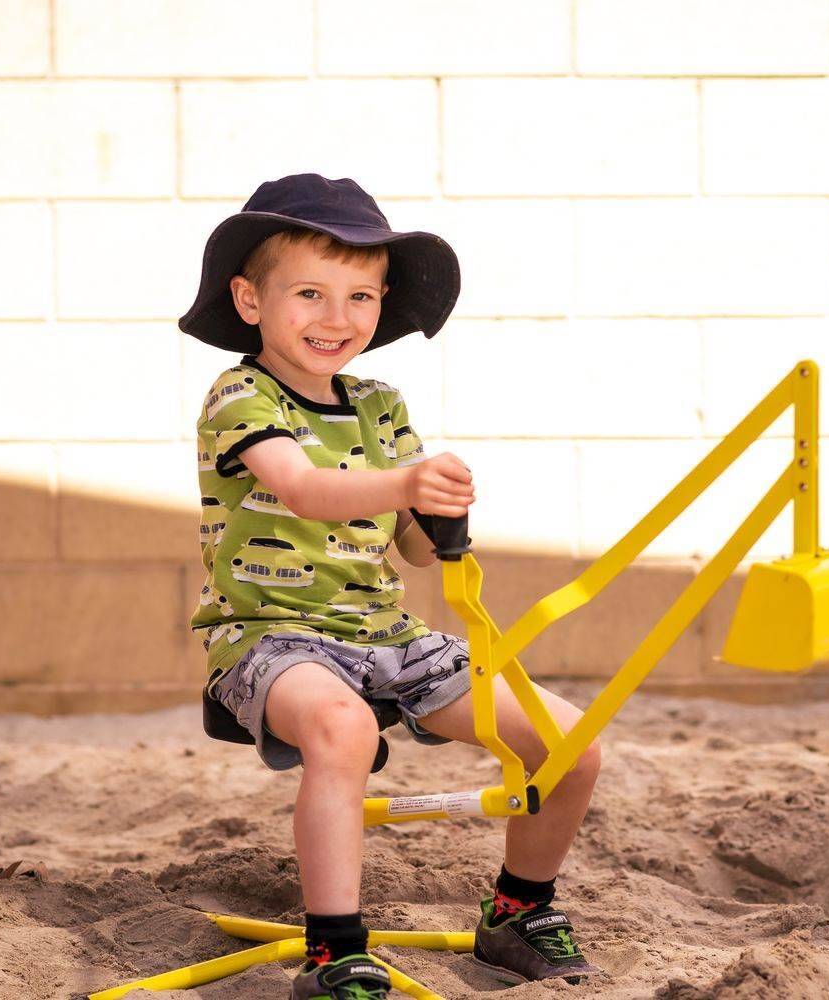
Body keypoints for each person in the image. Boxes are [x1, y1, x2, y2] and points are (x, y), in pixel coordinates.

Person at [178, 174, 604, 999]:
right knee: (339, 730)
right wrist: (405, 482)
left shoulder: (379, 404)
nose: (337, 319)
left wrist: (437, 509)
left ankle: (517, 910)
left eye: (361, 297)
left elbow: (408, 550)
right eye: (311, 293)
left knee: (573, 745)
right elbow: (302, 489)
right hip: (270, 637)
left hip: (386, 638)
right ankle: (336, 954)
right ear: (251, 299)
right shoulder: (242, 395)